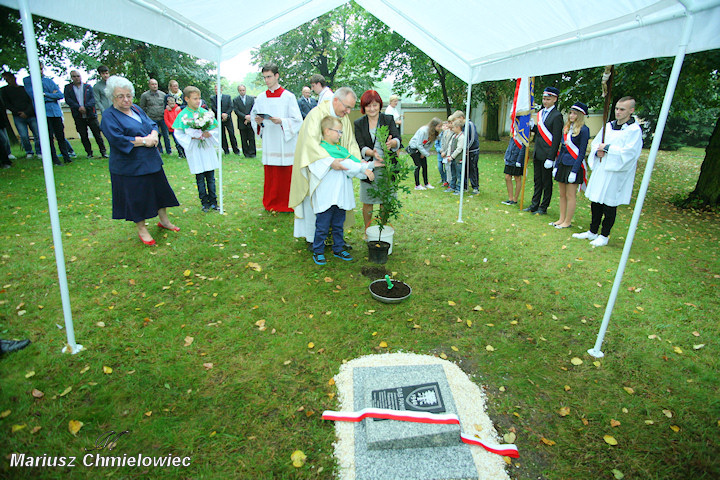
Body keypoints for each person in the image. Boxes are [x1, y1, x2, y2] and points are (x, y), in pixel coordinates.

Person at [100, 75, 180, 246]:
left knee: (160, 191)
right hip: (129, 165)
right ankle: (142, 229)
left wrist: (153, 134)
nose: (126, 99)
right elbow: (117, 139)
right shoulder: (109, 116)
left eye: (128, 95)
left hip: (151, 160)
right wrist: (144, 141)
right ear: (112, 98)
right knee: (136, 197)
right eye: (120, 96)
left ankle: (164, 221)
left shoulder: (136, 108)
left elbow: (151, 123)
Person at [289, 87, 363, 244]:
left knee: (337, 207)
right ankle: (313, 240)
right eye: (347, 107)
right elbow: (310, 145)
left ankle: (335, 240)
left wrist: (358, 162)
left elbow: (350, 143)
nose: (349, 111)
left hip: (338, 177)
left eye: (351, 107)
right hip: (318, 173)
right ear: (336, 100)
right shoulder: (316, 115)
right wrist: (330, 162)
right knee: (317, 207)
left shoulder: (343, 119)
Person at [573, 97, 643, 247]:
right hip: (602, 168)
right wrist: (597, 151)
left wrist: (608, 149)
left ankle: (604, 235)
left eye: (622, 109)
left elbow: (630, 153)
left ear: (631, 110)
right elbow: (597, 143)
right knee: (596, 201)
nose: (618, 112)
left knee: (609, 204)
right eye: (617, 108)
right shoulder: (609, 126)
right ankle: (592, 231)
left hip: (616, 172)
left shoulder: (633, 130)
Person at [310, 116, 378, 265]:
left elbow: (352, 167)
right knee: (322, 225)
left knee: (338, 224)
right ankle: (318, 251)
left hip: (340, 195)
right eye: (338, 131)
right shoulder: (320, 149)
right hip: (327, 195)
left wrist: (367, 167)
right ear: (327, 131)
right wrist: (363, 169)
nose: (340, 135)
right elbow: (345, 165)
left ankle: (338, 248)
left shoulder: (340, 149)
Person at [250, 63, 303, 212]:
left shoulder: (288, 97)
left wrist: (282, 121)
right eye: (264, 77)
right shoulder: (260, 98)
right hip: (269, 139)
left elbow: (298, 120)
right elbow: (255, 116)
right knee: (271, 173)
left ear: (277, 76)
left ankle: (287, 203)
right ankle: (271, 202)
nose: (267, 80)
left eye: (269, 77)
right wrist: (259, 121)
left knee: (286, 173)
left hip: (284, 140)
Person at [353, 90, 401, 232]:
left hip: (387, 168)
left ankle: (382, 229)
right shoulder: (359, 123)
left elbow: (398, 139)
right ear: (363, 107)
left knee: (385, 202)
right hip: (369, 168)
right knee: (368, 202)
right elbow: (360, 145)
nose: (372, 109)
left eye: (375, 105)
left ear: (380, 105)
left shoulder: (388, 119)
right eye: (368, 106)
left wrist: (392, 143)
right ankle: (368, 232)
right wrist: (371, 152)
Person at [172, 86, 221, 212]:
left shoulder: (205, 113)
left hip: (206, 148)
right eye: (195, 98)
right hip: (194, 148)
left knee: (210, 176)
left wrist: (209, 134)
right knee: (200, 176)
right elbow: (178, 133)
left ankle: (214, 201)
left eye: (199, 98)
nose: (198, 101)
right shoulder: (183, 115)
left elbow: (215, 128)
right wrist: (193, 137)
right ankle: (204, 202)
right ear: (187, 99)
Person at [523, 86, 563, 215]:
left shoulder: (557, 116)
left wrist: (551, 158)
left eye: (548, 99)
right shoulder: (541, 113)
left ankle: (543, 206)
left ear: (555, 99)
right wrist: (533, 126)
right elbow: (540, 132)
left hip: (547, 154)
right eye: (544, 99)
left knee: (546, 182)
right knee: (537, 180)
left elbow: (556, 138)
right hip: (538, 152)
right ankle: (534, 204)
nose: (545, 101)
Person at [550, 102, 590, 229]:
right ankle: (561, 218)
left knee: (570, 195)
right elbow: (562, 149)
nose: (571, 115)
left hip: (573, 166)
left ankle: (568, 221)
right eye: (570, 113)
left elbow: (582, 152)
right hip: (562, 164)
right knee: (562, 194)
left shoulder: (584, 130)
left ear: (580, 115)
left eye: (574, 113)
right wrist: (556, 166)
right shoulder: (567, 128)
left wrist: (575, 170)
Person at [23, 63, 72, 165]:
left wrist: (45, 94)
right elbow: (35, 95)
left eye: (41, 69)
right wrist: (51, 95)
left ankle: (66, 157)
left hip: (56, 113)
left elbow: (59, 95)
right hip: (44, 114)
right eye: (38, 69)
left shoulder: (48, 81)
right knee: (49, 137)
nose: (41, 71)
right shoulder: (28, 81)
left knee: (60, 136)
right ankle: (54, 159)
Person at [63, 70, 108, 158]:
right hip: (78, 115)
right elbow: (68, 100)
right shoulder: (68, 88)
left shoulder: (88, 87)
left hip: (90, 114)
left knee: (97, 134)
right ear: (71, 78)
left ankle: (103, 152)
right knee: (83, 135)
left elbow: (93, 99)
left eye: (78, 76)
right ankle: (89, 153)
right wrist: (78, 107)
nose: (77, 78)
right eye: (74, 76)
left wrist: (86, 107)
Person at [1, 71, 40, 158]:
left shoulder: (24, 89)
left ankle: (39, 151)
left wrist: (27, 112)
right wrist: (17, 112)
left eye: (9, 79)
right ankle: (29, 152)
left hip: (30, 115)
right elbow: (7, 104)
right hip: (18, 116)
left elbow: (31, 101)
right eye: (6, 80)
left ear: (14, 78)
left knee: (37, 134)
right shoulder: (5, 91)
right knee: (23, 135)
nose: (8, 81)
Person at [448, 110, 481, 194]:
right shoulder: (463, 126)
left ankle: (475, 187)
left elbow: (472, 139)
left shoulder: (470, 125)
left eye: (456, 119)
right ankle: (465, 186)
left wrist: (466, 148)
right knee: (465, 169)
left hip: (472, 151)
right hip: (465, 152)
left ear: (461, 118)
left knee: (472, 169)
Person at [138, 78, 172, 155]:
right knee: (156, 135)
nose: (154, 86)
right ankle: (159, 150)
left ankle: (169, 151)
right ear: (149, 85)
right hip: (152, 119)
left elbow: (167, 105)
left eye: (155, 84)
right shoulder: (145, 95)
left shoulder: (163, 95)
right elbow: (142, 107)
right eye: (152, 84)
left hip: (162, 118)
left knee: (166, 135)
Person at [407, 118, 442, 190]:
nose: (440, 128)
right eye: (439, 126)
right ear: (434, 126)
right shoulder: (423, 131)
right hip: (414, 148)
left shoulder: (435, 133)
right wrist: (426, 153)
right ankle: (417, 185)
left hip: (422, 149)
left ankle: (426, 183)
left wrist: (424, 153)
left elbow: (430, 144)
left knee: (425, 166)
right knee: (417, 166)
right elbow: (418, 144)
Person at [209, 85, 239, 155]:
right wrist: (221, 114)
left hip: (228, 119)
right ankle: (226, 150)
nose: (216, 91)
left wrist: (226, 114)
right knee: (222, 135)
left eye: (218, 89)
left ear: (221, 89)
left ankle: (236, 150)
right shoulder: (213, 98)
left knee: (231, 134)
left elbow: (231, 107)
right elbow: (213, 108)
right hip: (219, 119)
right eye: (215, 89)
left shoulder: (227, 97)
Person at [232, 84, 256, 158]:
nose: (242, 92)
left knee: (251, 138)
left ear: (245, 90)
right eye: (240, 90)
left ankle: (252, 153)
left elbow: (254, 109)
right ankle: (246, 154)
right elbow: (236, 110)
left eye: (243, 90)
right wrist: (245, 117)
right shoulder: (235, 100)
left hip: (250, 121)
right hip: (241, 122)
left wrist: (249, 118)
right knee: (244, 139)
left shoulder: (251, 99)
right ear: (238, 91)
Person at [501, 138, 525, 205]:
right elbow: (510, 145)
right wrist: (506, 156)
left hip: (517, 158)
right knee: (507, 177)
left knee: (517, 178)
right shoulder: (514, 134)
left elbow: (524, 147)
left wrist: (519, 160)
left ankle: (515, 199)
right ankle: (510, 198)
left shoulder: (522, 134)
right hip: (510, 157)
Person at [445, 119, 466, 195]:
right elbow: (450, 146)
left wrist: (452, 157)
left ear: (458, 127)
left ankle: (459, 189)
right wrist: (448, 155)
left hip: (458, 160)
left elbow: (459, 149)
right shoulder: (454, 136)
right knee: (453, 174)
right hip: (452, 159)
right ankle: (452, 186)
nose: (452, 129)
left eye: (453, 127)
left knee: (459, 175)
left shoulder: (462, 137)